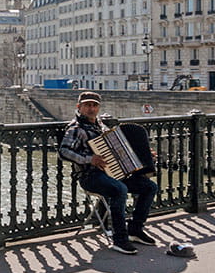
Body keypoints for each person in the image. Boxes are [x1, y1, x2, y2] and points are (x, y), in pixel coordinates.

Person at [59, 91, 158, 254]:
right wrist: (89, 159)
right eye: (87, 105)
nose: (91, 109)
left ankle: (135, 230)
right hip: (90, 176)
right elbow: (63, 152)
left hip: (112, 173)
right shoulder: (76, 128)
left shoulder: (101, 125)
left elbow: (118, 149)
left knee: (149, 187)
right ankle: (120, 239)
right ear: (79, 107)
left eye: (94, 105)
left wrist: (144, 155)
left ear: (98, 107)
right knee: (120, 189)